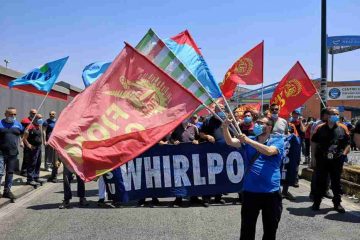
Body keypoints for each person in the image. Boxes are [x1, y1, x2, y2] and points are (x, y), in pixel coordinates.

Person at [222, 116, 284, 240]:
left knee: (270, 228)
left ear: (269, 127)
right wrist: (225, 127)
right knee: (247, 228)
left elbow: (269, 151)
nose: (257, 124)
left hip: (271, 192)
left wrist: (248, 141)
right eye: (257, 122)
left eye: (261, 123)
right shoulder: (249, 139)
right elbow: (230, 142)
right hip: (250, 191)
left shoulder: (277, 140)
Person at [311, 107, 350, 213]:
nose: (336, 116)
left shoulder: (343, 127)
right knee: (320, 181)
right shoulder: (319, 128)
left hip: (337, 160)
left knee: (336, 182)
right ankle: (317, 202)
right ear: (327, 116)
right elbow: (314, 142)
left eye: (337, 114)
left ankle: (337, 203)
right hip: (322, 159)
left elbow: (348, 144)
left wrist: (344, 154)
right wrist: (313, 157)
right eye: (333, 114)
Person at [169, 116, 202, 207]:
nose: (185, 119)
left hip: (193, 157)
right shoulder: (177, 128)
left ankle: (194, 197)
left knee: (193, 176)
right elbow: (171, 139)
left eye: (187, 118)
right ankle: (178, 198)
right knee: (179, 178)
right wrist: (174, 141)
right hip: (180, 157)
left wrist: (197, 141)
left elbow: (200, 138)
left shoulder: (194, 128)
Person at [199, 105, 227, 206]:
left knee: (220, 175)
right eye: (219, 109)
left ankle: (218, 197)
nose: (221, 111)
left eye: (223, 109)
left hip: (223, 152)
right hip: (210, 153)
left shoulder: (225, 121)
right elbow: (201, 133)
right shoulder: (208, 121)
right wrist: (207, 136)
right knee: (209, 175)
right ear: (214, 110)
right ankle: (206, 198)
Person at [0, 107, 24, 201]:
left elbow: (21, 134)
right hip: (1, 152)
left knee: (10, 172)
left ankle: (7, 191)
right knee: (0, 172)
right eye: (11, 114)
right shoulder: (0, 124)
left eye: (14, 114)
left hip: (13, 153)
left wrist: (22, 141)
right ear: (5, 114)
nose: (13, 116)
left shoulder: (18, 124)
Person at [22, 114, 45, 187]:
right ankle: (30, 179)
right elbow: (24, 138)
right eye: (39, 118)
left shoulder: (39, 126)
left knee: (38, 163)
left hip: (39, 147)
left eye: (41, 118)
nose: (40, 119)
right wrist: (29, 145)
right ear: (35, 118)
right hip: (33, 148)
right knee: (32, 163)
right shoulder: (30, 126)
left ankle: (36, 177)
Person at [43, 111, 60, 182]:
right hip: (49, 140)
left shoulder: (57, 121)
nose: (51, 115)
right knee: (49, 154)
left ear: (55, 115)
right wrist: (44, 140)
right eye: (50, 114)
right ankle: (47, 166)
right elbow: (44, 131)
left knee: (55, 156)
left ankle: (53, 169)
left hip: (56, 141)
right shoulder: (46, 122)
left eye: (53, 114)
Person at [20, 109, 37, 175]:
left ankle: (30, 170)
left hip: (34, 142)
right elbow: (21, 131)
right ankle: (24, 171)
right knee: (26, 156)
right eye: (32, 113)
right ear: (29, 113)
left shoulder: (37, 121)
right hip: (27, 141)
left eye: (35, 113)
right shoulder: (25, 121)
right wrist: (22, 140)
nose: (34, 114)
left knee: (33, 157)